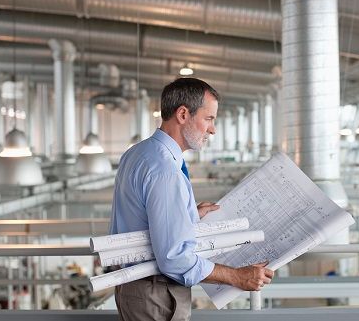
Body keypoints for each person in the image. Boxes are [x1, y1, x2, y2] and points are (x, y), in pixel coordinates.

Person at [109, 78, 273, 321]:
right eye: (209, 119)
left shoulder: (139, 152)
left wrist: (187, 216)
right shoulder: (164, 169)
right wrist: (237, 276)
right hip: (156, 295)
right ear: (183, 114)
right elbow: (175, 258)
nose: (213, 129)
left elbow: (139, 216)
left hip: (137, 289)